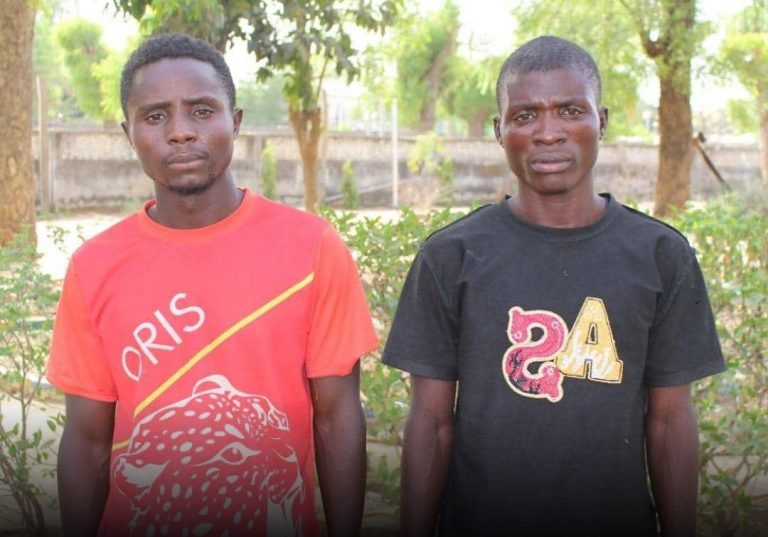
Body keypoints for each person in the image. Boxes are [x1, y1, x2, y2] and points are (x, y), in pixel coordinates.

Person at [382, 35, 725, 537]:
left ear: (601, 121)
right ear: (499, 131)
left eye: (570, 110)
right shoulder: (450, 256)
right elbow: (431, 423)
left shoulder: (660, 255)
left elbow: (670, 422)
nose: (548, 133)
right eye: (525, 116)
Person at [48, 33, 377, 537]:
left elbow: (337, 418)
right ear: (128, 133)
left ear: (235, 121)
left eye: (202, 111)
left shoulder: (312, 247)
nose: (180, 132)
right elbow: (88, 441)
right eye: (155, 116)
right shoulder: (93, 267)